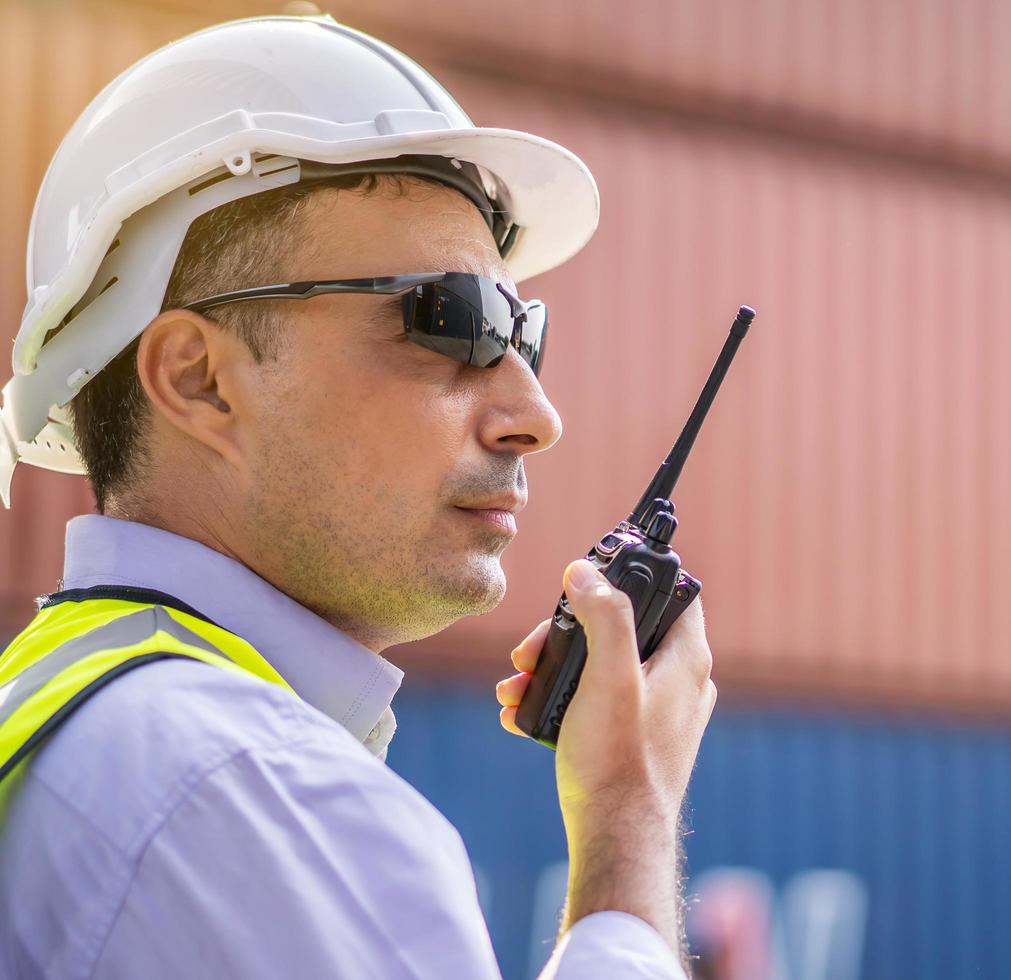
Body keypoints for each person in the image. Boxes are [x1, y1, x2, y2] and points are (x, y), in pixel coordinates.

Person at [0, 14, 715, 979]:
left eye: (523, 331)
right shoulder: (244, 791)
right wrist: (632, 812)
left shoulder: (58, 714)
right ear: (200, 381)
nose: (535, 413)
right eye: (450, 320)